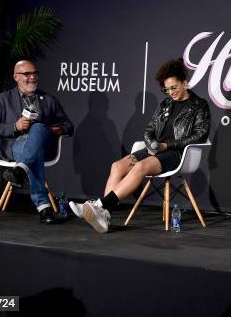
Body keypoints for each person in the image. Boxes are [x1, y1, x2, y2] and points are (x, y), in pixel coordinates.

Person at [70, 58, 211, 233]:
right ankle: (105, 213)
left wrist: (168, 145)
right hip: (156, 150)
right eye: (166, 89)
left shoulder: (199, 105)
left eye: (174, 87)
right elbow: (149, 129)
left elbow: (200, 134)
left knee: (141, 167)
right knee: (117, 166)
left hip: (176, 153)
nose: (170, 92)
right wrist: (150, 142)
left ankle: (99, 205)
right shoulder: (165, 104)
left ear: (185, 83)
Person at [0, 60, 74, 224]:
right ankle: (43, 205)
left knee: (39, 128)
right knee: (33, 152)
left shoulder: (48, 99)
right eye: (27, 74)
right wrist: (14, 126)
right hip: (14, 144)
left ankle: (21, 169)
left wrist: (59, 129)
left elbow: (69, 125)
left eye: (35, 73)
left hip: (44, 144)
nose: (33, 77)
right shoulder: (3, 99)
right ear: (16, 76)